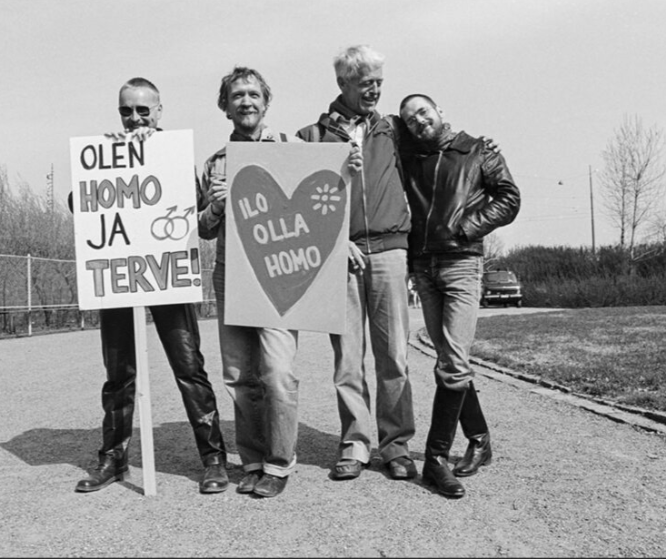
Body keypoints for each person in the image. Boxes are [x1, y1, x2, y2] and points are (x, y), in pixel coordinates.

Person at [74, 77, 229, 494]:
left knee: (189, 367)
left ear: (159, 112)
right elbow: (81, 202)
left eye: (144, 110)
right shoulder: (107, 153)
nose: (135, 118)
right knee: (118, 373)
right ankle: (113, 458)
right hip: (121, 276)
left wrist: (213, 199)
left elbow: (198, 211)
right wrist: (102, 164)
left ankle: (213, 457)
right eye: (127, 110)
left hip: (166, 274)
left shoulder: (174, 154)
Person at [296, 45, 418, 482]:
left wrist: (479, 148)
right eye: (366, 82)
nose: (375, 90)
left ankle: (397, 444)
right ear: (343, 84)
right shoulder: (312, 136)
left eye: (380, 82)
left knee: (394, 354)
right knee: (348, 358)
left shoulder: (393, 129)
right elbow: (302, 205)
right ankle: (355, 442)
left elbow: (438, 146)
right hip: (339, 256)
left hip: (389, 249)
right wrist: (333, 240)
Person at [397, 93, 520, 498]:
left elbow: (509, 198)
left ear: (439, 111)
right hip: (424, 269)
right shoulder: (409, 155)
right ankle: (480, 439)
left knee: (451, 364)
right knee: (450, 361)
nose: (418, 121)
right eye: (409, 119)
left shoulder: (477, 150)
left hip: (462, 265)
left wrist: (466, 228)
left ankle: (435, 458)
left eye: (423, 112)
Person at [198, 67, 301, 498]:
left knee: (277, 372)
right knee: (240, 375)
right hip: (232, 273)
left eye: (253, 94)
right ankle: (253, 461)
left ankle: (279, 464)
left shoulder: (291, 150)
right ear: (225, 106)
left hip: (279, 271)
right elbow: (202, 228)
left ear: (266, 101)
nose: (245, 101)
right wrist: (217, 208)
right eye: (236, 95)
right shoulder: (215, 163)